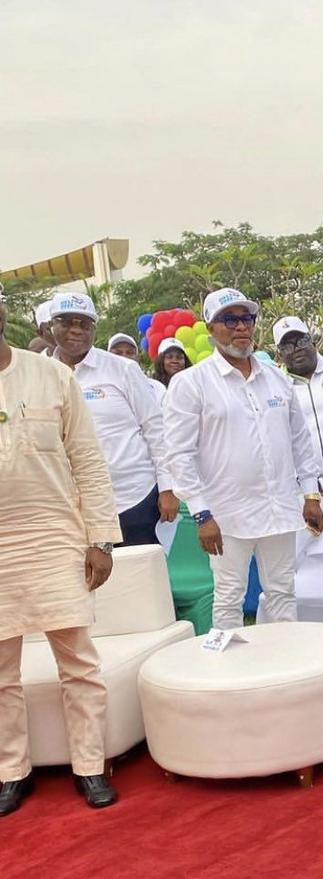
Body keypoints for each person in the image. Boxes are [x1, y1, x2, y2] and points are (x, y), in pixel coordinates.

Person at [0, 289, 121, 815]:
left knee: (78, 660)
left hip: (55, 534)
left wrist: (100, 538)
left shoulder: (51, 375)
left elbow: (89, 461)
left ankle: (91, 766)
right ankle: (10, 771)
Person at [162, 288, 323, 631]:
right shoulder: (192, 383)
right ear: (210, 328)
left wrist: (310, 494)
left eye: (247, 319)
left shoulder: (277, 379)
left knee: (283, 592)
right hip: (226, 515)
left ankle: (285, 669)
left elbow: (300, 440)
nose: (241, 328)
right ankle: (230, 676)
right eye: (230, 320)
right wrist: (202, 513)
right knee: (229, 597)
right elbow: (179, 453)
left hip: (279, 508)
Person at [49, 292, 178, 545]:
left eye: (84, 323)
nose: (76, 330)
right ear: (50, 326)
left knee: (141, 579)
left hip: (135, 499)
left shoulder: (123, 369)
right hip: (74, 507)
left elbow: (155, 429)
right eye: (67, 321)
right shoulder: (41, 374)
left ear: (94, 329)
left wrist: (167, 487)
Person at [273, 316, 323, 485]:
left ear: (313, 342)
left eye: (301, 341)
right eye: (287, 346)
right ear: (279, 353)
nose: (297, 349)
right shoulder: (277, 388)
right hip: (310, 495)